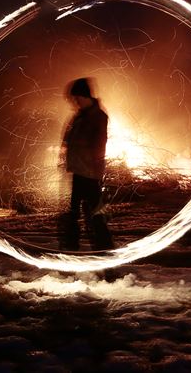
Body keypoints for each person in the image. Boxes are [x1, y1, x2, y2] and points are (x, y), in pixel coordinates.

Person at [60, 77, 113, 251]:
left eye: (75, 98)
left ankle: (104, 252)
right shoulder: (79, 117)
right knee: (75, 214)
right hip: (78, 171)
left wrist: (96, 172)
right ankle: (72, 250)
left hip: (90, 174)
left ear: (83, 96)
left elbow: (99, 145)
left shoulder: (97, 117)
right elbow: (69, 140)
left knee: (96, 216)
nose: (74, 102)